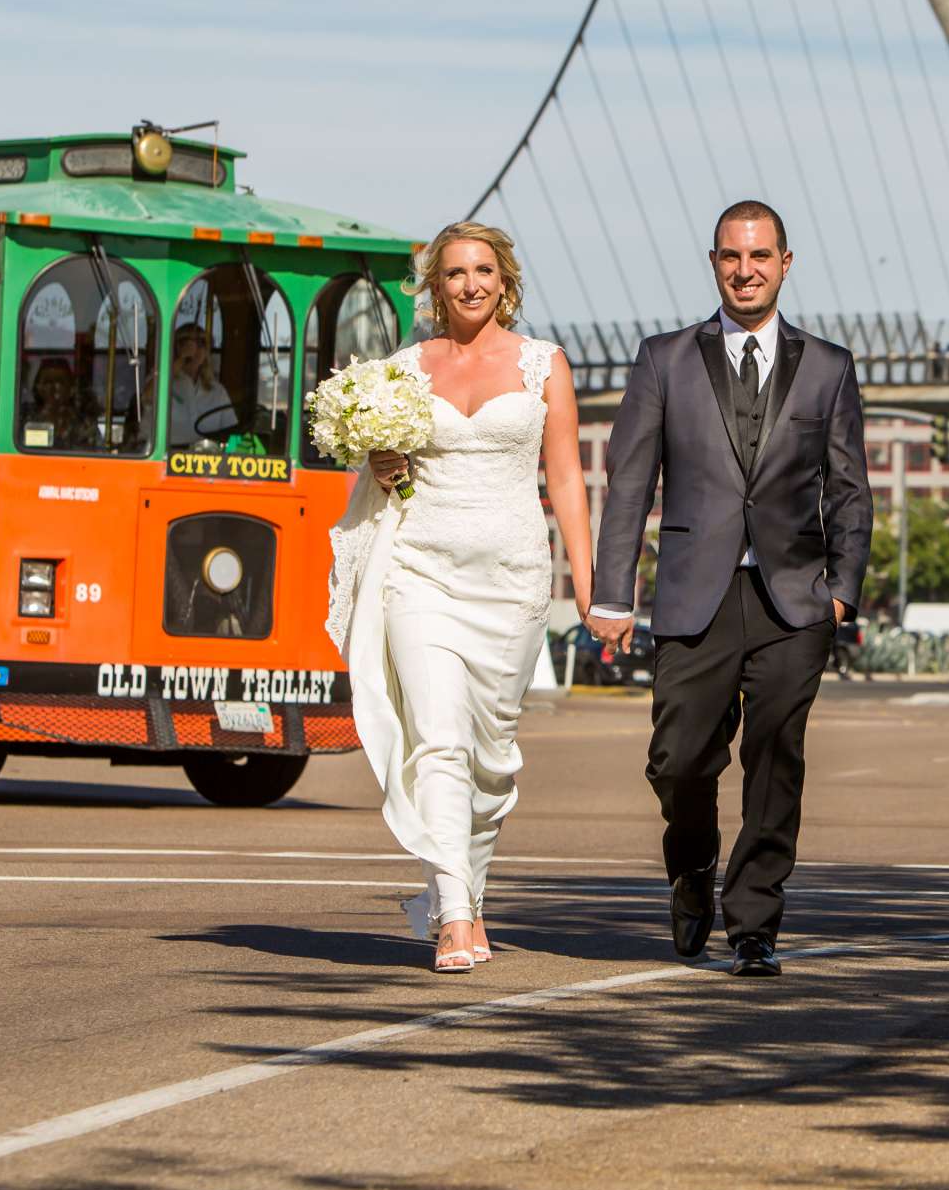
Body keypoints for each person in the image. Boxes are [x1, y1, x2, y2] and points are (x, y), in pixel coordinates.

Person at [589, 199, 873, 977]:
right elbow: (628, 486)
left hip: (793, 601)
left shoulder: (829, 367)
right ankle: (691, 867)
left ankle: (754, 926)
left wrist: (841, 588)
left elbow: (850, 488)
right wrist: (613, 593)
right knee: (678, 760)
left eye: (758, 256)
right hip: (692, 594)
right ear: (714, 264)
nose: (744, 271)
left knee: (776, 760)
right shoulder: (663, 360)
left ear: (786, 263)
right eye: (729, 257)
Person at [325, 222, 592, 975]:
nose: (469, 284)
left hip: (510, 579)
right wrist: (381, 463)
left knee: (489, 761)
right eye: (453, 273)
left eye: (482, 271)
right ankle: (454, 913)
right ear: (435, 288)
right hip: (423, 571)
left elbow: (566, 476)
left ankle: (465, 887)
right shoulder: (405, 370)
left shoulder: (545, 365)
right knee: (437, 738)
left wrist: (589, 580)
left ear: (504, 280)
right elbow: (393, 476)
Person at [167, 323, 234, 448]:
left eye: (201, 343)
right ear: (176, 347)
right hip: (168, 459)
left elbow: (234, 434)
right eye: (187, 343)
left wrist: (230, 457)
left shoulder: (218, 391)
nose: (195, 348)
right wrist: (181, 359)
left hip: (209, 462)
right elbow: (148, 397)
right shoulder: (161, 382)